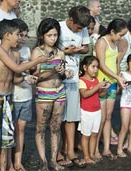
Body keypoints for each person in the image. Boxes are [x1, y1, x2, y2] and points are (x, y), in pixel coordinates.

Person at [0, 19, 50, 171]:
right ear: (7, 35)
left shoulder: (16, 54)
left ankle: (4, 168)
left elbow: (15, 76)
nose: (19, 38)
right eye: (17, 35)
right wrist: (38, 60)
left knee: (7, 136)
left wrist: (27, 78)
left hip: (7, 97)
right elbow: (16, 68)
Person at [30, 18, 73, 171]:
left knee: (56, 127)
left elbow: (61, 75)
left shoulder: (60, 52)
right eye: (50, 35)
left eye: (55, 35)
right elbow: (36, 78)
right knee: (41, 129)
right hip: (44, 94)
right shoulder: (37, 52)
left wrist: (65, 73)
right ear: (42, 35)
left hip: (60, 93)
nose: (53, 38)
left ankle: (54, 161)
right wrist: (53, 71)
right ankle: (43, 163)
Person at [58, 5, 90, 168]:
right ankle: (57, 150)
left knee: (71, 117)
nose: (79, 31)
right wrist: (65, 51)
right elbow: (48, 48)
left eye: (82, 29)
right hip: (56, 79)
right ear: (70, 20)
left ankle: (70, 150)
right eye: (77, 27)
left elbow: (87, 47)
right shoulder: (59, 27)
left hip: (73, 79)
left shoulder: (83, 29)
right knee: (56, 118)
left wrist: (80, 49)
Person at [94, 18, 127, 160]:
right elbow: (101, 65)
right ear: (112, 31)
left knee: (108, 117)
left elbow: (115, 62)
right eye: (120, 35)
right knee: (100, 118)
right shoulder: (102, 42)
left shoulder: (114, 42)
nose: (121, 38)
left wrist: (118, 77)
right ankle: (94, 149)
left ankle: (106, 149)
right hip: (102, 83)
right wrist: (117, 77)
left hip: (112, 82)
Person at [11, 18, 37, 171]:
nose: (22, 38)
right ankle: (7, 161)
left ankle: (18, 160)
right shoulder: (9, 51)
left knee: (21, 129)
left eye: (25, 36)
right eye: (20, 35)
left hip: (26, 94)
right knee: (11, 129)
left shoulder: (27, 50)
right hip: (13, 95)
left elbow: (32, 70)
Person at [78, 56, 110, 164]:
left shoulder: (96, 80)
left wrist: (105, 88)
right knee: (86, 135)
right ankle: (86, 156)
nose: (96, 69)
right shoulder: (82, 80)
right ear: (85, 67)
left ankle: (91, 154)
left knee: (94, 134)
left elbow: (100, 95)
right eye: (93, 67)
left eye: (97, 67)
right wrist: (97, 86)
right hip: (86, 112)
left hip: (97, 111)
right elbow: (85, 94)